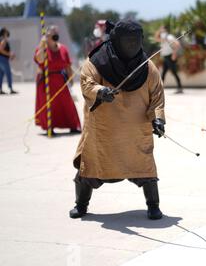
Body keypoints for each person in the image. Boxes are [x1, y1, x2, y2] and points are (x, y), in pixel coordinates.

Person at [70, 19, 166, 221]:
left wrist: (158, 119)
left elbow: (157, 95)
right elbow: (87, 83)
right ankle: (81, 204)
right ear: (116, 40)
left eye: (136, 41)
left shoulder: (147, 67)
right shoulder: (97, 62)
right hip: (103, 132)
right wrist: (100, 91)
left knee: (145, 168)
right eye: (128, 41)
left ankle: (153, 205)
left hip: (135, 133)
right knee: (90, 167)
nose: (133, 45)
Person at [34, 25, 81, 134]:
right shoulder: (42, 49)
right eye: (52, 33)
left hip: (60, 80)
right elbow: (39, 60)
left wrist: (71, 78)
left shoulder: (63, 48)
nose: (55, 35)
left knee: (67, 103)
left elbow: (67, 65)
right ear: (47, 35)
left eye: (56, 32)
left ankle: (73, 125)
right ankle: (49, 127)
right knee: (49, 105)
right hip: (45, 80)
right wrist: (42, 45)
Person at [155, 26, 183, 94]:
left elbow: (177, 44)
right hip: (165, 57)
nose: (161, 30)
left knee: (173, 72)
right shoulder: (163, 37)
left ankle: (180, 88)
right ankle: (160, 89)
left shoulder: (169, 37)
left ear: (165, 29)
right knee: (164, 73)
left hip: (169, 56)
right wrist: (159, 31)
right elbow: (156, 39)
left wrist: (174, 54)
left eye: (162, 28)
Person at [0, 28, 18, 95]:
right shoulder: (4, 40)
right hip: (3, 59)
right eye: (6, 32)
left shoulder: (1, 39)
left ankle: (0, 90)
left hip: (1, 59)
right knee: (8, 73)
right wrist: (9, 54)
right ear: (4, 33)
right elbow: (1, 49)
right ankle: (10, 89)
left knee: (1, 75)